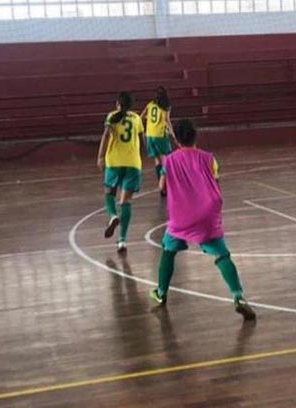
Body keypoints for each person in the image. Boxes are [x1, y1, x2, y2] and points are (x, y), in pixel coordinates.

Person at [148, 119, 256, 320]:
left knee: (168, 251)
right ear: (195, 136)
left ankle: (161, 293)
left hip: (182, 215)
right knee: (222, 255)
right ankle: (238, 296)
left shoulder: (169, 160)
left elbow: (161, 187)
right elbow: (216, 182)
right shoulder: (209, 158)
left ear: (177, 140)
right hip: (207, 211)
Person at [97, 92, 143, 253]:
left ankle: (112, 216)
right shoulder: (136, 119)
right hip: (133, 163)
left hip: (114, 161)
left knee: (109, 193)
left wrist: (100, 156)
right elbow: (141, 139)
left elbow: (105, 137)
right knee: (125, 202)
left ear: (118, 103)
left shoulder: (111, 117)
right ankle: (122, 240)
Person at [141, 87, 174, 189]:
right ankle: (164, 184)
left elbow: (141, 116)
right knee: (166, 158)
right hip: (160, 134)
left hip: (149, 134)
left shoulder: (150, 104)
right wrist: (173, 133)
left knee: (157, 160)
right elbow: (166, 120)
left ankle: (160, 183)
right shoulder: (165, 106)